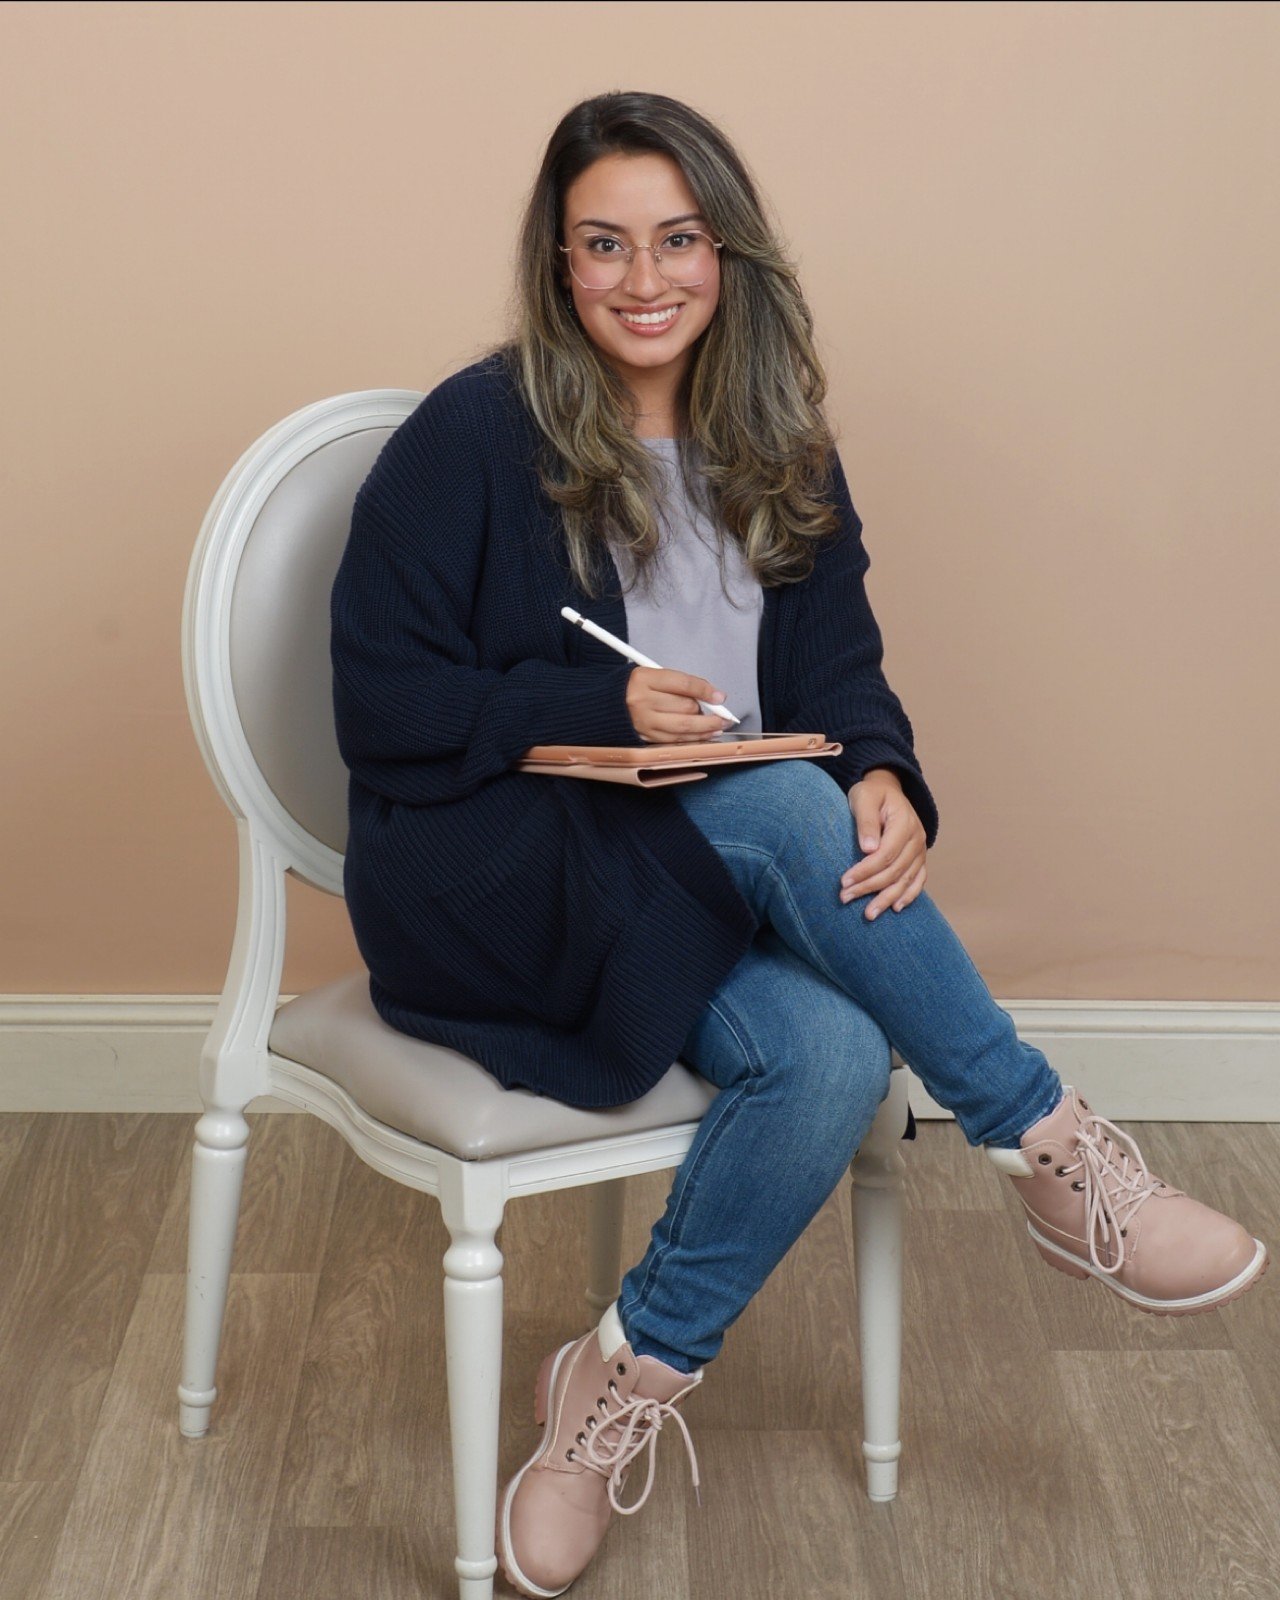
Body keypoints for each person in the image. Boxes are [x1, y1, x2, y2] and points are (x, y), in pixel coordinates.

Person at [329, 91, 1269, 1600]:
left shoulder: (781, 446)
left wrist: (887, 772)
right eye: (603, 245)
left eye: (678, 239)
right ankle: (1054, 1148)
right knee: (778, 804)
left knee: (829, 1054)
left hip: (675, 886)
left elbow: (839, 681)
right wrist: (596, 697)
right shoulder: (475, 433)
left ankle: (617, 1381)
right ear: (556, 263)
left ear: (728, 252)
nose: (645, 280)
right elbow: (380, 698)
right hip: (504, 874)